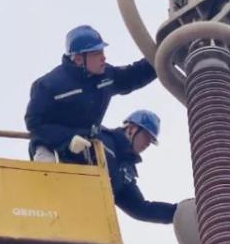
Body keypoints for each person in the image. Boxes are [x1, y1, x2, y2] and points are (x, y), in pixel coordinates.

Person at [25, 25, 156, 162]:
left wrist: (162, 55)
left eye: (102, 51)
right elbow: (34, 123)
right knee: (48, 165)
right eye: (96, 53)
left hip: (84, 149)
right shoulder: (48, 86)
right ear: (78, 59)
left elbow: (133, 75)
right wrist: (68, 138)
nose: (103, 58)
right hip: (52, 149)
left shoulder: (106, 77)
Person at [97, 110, 177, 224]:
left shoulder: (125, 173)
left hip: (87, 218)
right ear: (131, 129)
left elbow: (140, 208)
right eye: (146, 136)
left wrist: (177, 212)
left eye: (151, 140)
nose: (148, 143)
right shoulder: (100, 136)